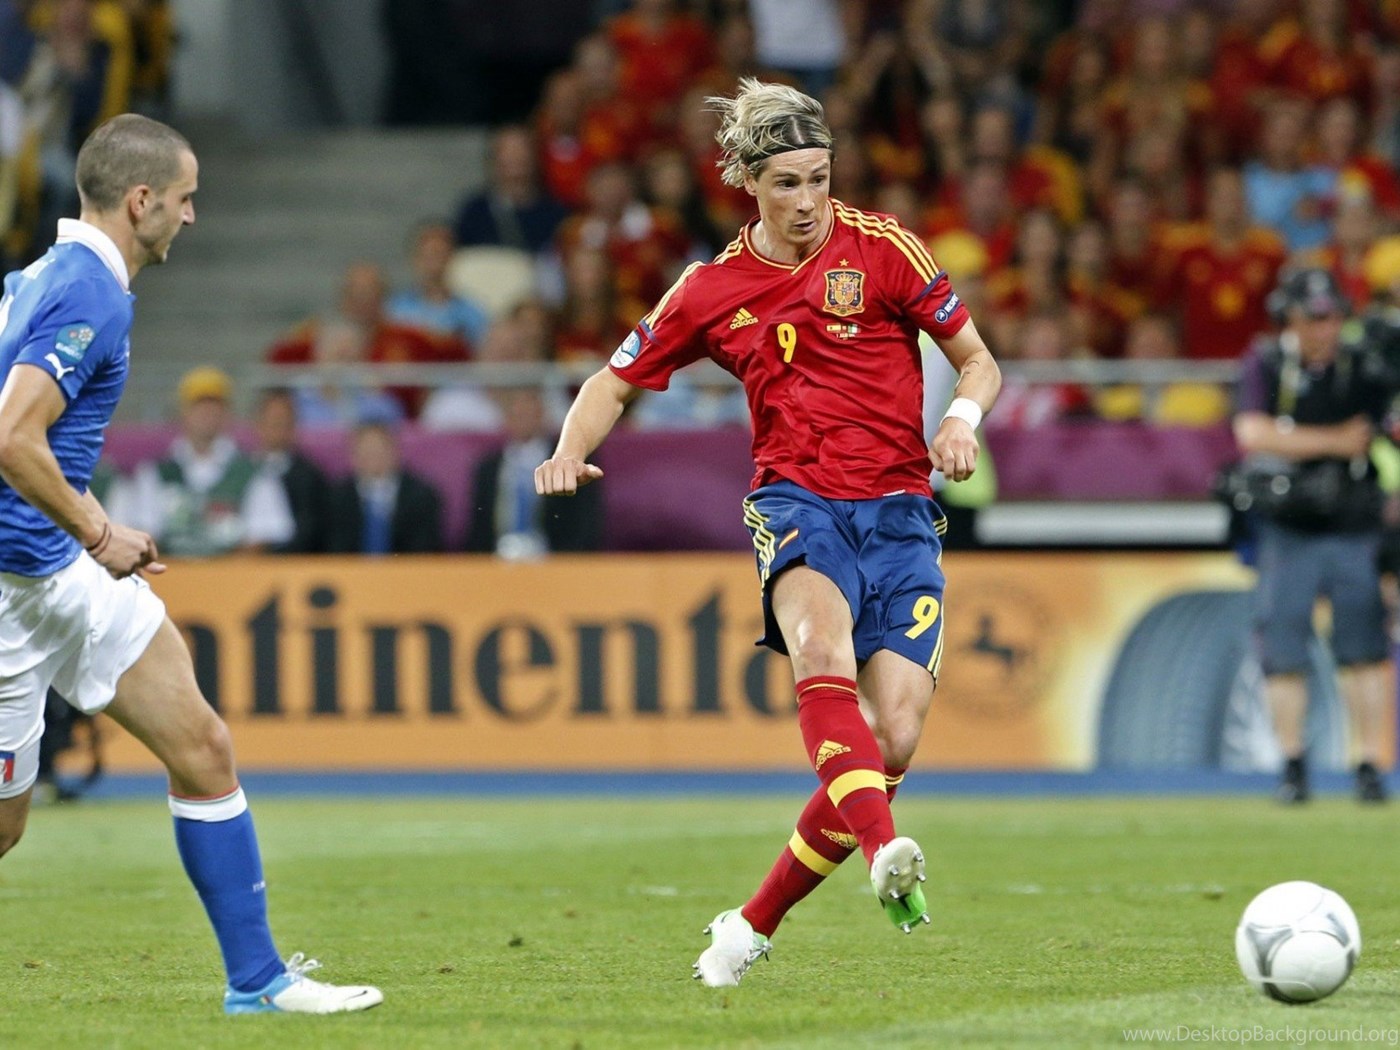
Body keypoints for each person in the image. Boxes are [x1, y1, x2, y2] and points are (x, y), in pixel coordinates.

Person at [535, 79, 1001, 986]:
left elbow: (978, 361)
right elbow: (612, 382)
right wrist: (568, 449)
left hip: (902, 512)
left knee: (893, 737)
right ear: (748, 182)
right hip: (797, 502)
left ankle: (748, 926)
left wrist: (960, 421)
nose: (808, 201)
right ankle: (884, 853)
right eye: (787, 183)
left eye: (820, 178)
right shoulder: (710, 289)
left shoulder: (885, 247)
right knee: (820, 649)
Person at [0, 113, 381, 1013]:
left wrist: (84, 534)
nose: (192, 214)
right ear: (141, 201)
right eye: (184, 197)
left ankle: (259, 982)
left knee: (203, 746)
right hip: (15, 589)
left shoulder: (42, 276)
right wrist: (101, 532)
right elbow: (12, 436)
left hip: (60, 571)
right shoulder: (88, 291)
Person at [1233, 267, 1393, 805]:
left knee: (1365, 648)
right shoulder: (1267, 361)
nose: (1325, 329)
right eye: (1314, 318)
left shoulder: (1364, 363)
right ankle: (1292, 764)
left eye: (1333, 317)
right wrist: (1336, 441)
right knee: (1283, 647)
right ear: (1291, 317)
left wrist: (1301, 440)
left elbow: (1384, 423)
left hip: (1353, 522)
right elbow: (1251, 433)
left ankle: (1369, 765)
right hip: (1288, 524)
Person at [122, 366, 296, 556]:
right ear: (182, 412)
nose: (206, 413)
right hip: (171, 571)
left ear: (227, 413)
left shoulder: (255, 473)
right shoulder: (154, 473)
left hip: (233, 572)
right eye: (198, 406)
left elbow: (262, 538)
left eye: (214, 406)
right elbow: (145, 535)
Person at [326, 421, 444, 555]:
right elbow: (333, 548)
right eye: (365, 451)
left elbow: (425, 549)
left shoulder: (422, 495)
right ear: (352, 455)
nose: (373, 457)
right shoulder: (337, 497)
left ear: (395, 451)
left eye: (379, 450)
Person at [250, 388, 330, 554]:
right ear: (258, 424)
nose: (279, 428)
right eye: (273, 421)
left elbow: (310, 531)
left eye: (285, 421)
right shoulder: (242, 469)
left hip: (291, 562)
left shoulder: (310, 476)